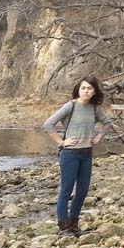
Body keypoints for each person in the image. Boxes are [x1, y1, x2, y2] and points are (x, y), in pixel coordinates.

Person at [42, 76, 113, 237]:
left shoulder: (95, 108)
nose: (86, 91)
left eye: (89, 88)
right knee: (66, 191)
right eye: (83, 88)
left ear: (94, 91)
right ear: (78, 90)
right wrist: (61, 142)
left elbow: (107, 123)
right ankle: (63, 227)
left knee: (82, 191)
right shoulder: (71, 106)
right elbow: (48, 124)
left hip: (87, 154)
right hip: (70, 155)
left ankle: (74, 225)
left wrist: (98, 137)